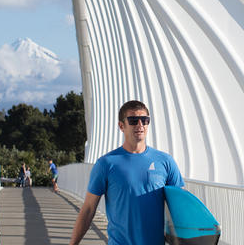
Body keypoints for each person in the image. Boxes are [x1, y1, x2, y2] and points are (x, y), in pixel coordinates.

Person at [69, 100, 184, 245]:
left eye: (145, 120)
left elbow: (181, 206)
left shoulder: (165, 161)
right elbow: (89, 209)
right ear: (121, 126)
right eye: (134, 120)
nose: (140, 125)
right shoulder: (106, 164)